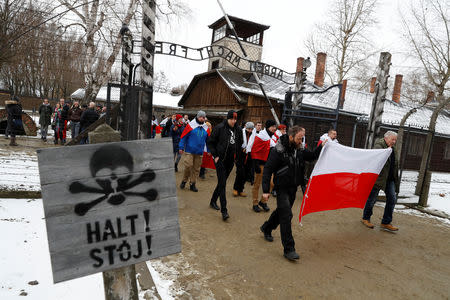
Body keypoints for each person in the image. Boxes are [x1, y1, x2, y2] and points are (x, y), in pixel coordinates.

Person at [260, 126, 325, 261]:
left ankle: (267, 228)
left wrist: (322, 146)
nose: (301, 141)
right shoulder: (278, 150)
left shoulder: (299, 149)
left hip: (293, 188)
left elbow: (312, 156)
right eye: (299, 138)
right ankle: (289, 249)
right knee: (287, 215)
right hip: (281, 187)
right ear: (291, 137)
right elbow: (267, 170)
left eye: (302, 138)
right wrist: (266, 190)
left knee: (281, 212)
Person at [207, 110, 243, 221]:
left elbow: (240, 143)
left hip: (230, 160)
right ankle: (224, 210)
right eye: (232, 119)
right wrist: (215, 155)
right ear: (228, 118)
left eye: (235, 119)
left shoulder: (238, 129)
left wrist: (237, 158)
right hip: (220, 160)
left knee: (222, 182)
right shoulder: (219, 128)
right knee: (222, 184)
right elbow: (211, 142)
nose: (233, 121)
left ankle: (213, 200)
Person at [362, 131, 400, 232]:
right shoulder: (379, 146)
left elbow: (394, 164)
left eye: (395, 140)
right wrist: (386, 151)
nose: (394, 141)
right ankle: (366, 218)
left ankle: (386, 222)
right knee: (372, 199)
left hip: (390, 179)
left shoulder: (394, 148)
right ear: (386, 138)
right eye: (392, 139)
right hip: (378, 178)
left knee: (392, 199)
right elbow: (376, 159)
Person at [248, 119, 277, 213]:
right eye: (273, 126)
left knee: (271, 184)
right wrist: (255, 164)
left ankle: (263, 201)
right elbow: (254, 150)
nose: (274, 128)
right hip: (260, 164)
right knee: (257, 184)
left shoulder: (271, 137)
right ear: (268, 127)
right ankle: (255, 203)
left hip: (269, 165)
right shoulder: (260, 137)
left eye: (275, 126)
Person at [179, 110, 209, 192]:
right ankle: (184, 180)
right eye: (201, 117)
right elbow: (183, 136)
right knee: (188, 166)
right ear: (198, 117)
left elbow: (208, 140)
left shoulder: (206, 128)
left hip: (199, 152)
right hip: (189, 150)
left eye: (204, 117)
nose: (202, 119)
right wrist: (181, 147)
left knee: (196, 169)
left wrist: (209, 150)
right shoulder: (190, 126)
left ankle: (192, 184)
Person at [232, 121, 256, 196]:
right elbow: (237, 143)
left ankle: (241, 189)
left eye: (251, 129)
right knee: (240, 173)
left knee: (246, 174)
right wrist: (241, 149)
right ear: (246, 127)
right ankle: (235, 188)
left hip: (249, 156)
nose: (250, 130)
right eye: (248, 129)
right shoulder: (241, 133)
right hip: (240, 155)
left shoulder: (254, 135)